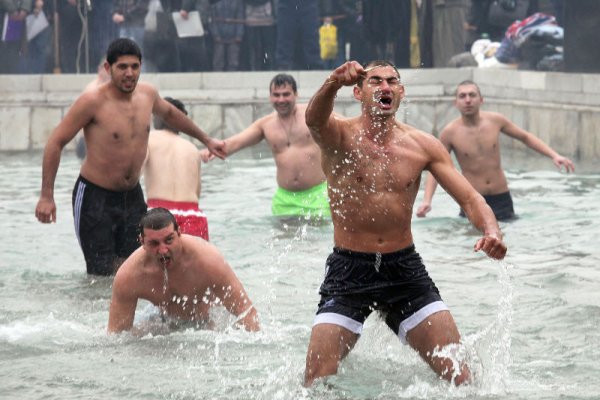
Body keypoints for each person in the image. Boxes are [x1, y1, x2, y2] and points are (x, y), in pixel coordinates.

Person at [302, 60, 507, 386]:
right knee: (316, 379)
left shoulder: (423, 146)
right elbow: (313, 119)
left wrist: (492, 231)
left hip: (404, 270)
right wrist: (331, 83)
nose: (385, 87)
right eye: (375, 81)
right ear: (357, 92)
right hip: (349, 270)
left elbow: (470, 198)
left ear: (401, 92)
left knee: (462, 377)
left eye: (392, 81)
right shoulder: (339, 136)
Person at [35, 38, 225, 276]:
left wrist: (207, 140)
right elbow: (56, 142)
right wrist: (46, 196)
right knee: (101, 273)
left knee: (140, 267)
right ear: (108, 68)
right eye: (122, 67)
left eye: (134, 67)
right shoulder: (92, 101)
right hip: (95, 197)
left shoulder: (148, 94)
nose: (129, 73)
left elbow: (171, 114)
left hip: (132, 196)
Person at [416, 80, 575, 221]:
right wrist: (427, 201)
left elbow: (524, 137)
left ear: (481, 99)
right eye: (462, 96)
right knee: (472, 247)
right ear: (455, 103)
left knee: (508, 247)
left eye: (472, 95)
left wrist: (554, 155)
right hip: (473, 199)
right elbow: (437, 166)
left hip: (501, 197)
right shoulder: (450, 132)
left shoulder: (495, 121)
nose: (468, 100)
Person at [107, 208, 260, 333]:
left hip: (209, 320)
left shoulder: (207, 261)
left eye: (169, 240)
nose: (163, 250)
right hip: (160, 319)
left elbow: (246, 312)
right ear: (142, 243)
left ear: (179, 234)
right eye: (154, 243)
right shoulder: (129, 276)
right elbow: (117, 337)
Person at [202, 73, 330, 219]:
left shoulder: (312, 115)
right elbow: (235, 142)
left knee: (319, 241)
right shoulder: (266, 125)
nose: (281, 100)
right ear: (270, 97)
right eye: (276, 95)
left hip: (317, 196)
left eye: (286, 94)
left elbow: (344, 128)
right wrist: (211, 149)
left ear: (296, 94)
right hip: (284, 200)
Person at [143, 97, 210, 241]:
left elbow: (134, 171)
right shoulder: (192, 149)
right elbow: (197, 192)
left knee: (155, 263)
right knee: (194, 263)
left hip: (159, 215)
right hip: (193, 215)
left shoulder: (149, 139)